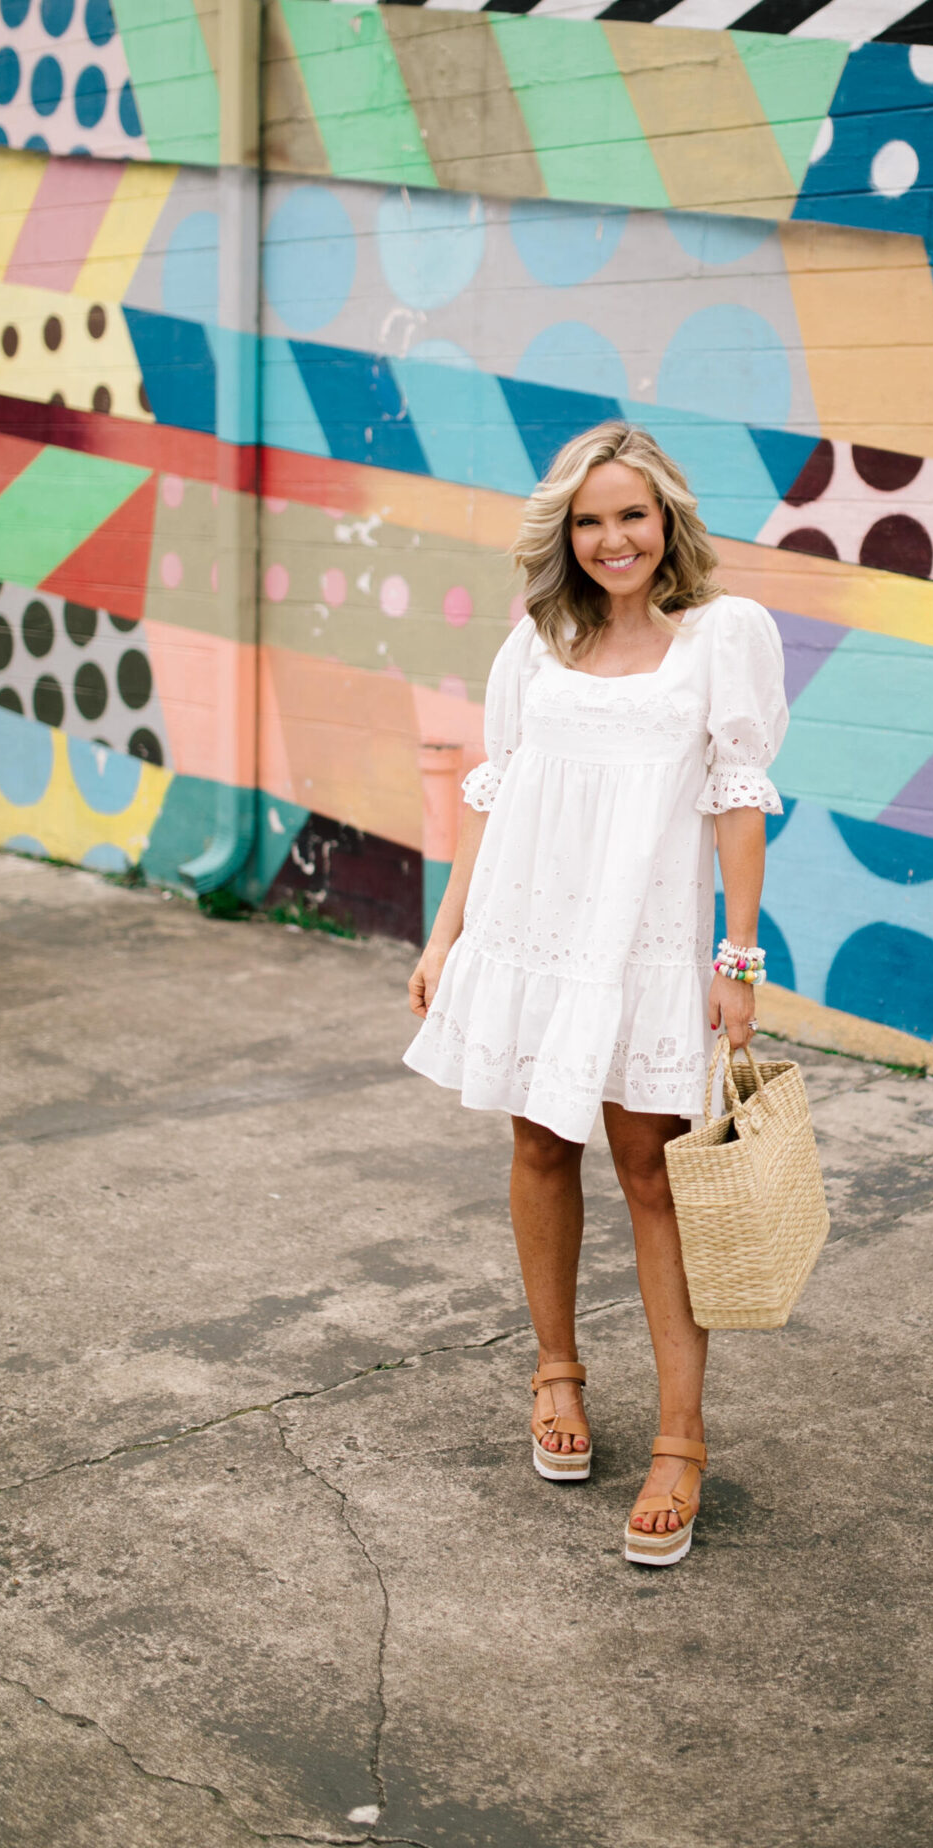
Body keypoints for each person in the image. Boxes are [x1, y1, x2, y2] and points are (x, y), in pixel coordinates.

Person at [405, 421, 787, 1566]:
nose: (611, 538)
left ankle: (681, 1440)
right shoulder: (533, 647)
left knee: (653, 1176)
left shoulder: (721, 639)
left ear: (667, 520)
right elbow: (494, 791)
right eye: (588, 520)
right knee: (535, 1148)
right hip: (530, 938)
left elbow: (737, 798)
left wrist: (740, 964)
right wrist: (447, 933)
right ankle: (556, 1374)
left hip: (644, 948)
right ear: (562, 535)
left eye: (631, 514)